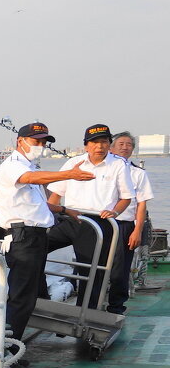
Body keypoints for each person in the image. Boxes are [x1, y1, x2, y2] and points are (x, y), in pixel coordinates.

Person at [0, 122, 96, 368]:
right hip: (23, 239)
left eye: (43, 142)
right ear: (20, 141)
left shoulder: (30, 166)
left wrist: (64, 209)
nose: (40, 146)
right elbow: (30, 179)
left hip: (36, 238)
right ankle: (5, 356)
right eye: (36, 141)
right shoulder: (13, 166)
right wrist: (69, 174)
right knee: (20, 299)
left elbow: (37, 202)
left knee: (29, 297)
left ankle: (12, 349)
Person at [46, 124, 133, 312]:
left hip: (97, 223)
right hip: (70, 219)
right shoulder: (74, 163)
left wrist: (115, 212)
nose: (99, 146)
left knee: (91, 271)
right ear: (86, 145)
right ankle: (39, 297)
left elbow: (126, 197)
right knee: (35, 248)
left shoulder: (118, 165)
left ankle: (85, 314)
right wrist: (48, 218)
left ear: (109, 144)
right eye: (94, 142)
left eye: (104, 142)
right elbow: (55, 194)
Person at [107, 132, 155, 315]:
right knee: (94, 264)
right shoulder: (104, 168)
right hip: (101, 222)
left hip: (124, 224)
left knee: (120, 270)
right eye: (120, 143)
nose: (125, 147)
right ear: (111, 147)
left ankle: (116, 308)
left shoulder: (138, 174)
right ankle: (90, 303)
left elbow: (141, 205)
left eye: (128, 144)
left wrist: (137, 230)